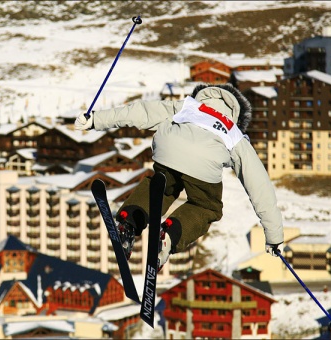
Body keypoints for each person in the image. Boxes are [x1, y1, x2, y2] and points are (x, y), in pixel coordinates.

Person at [75, 83, 284, 271]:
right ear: (236, 113)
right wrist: (274, 237)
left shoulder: (188, 107)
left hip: (169, 149)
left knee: (161, 188)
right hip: (204, 163)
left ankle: (128, 221)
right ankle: (168, 237)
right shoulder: (234, 132)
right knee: (206, 207)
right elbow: (260, 186)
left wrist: (95, 120)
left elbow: (141, 111)